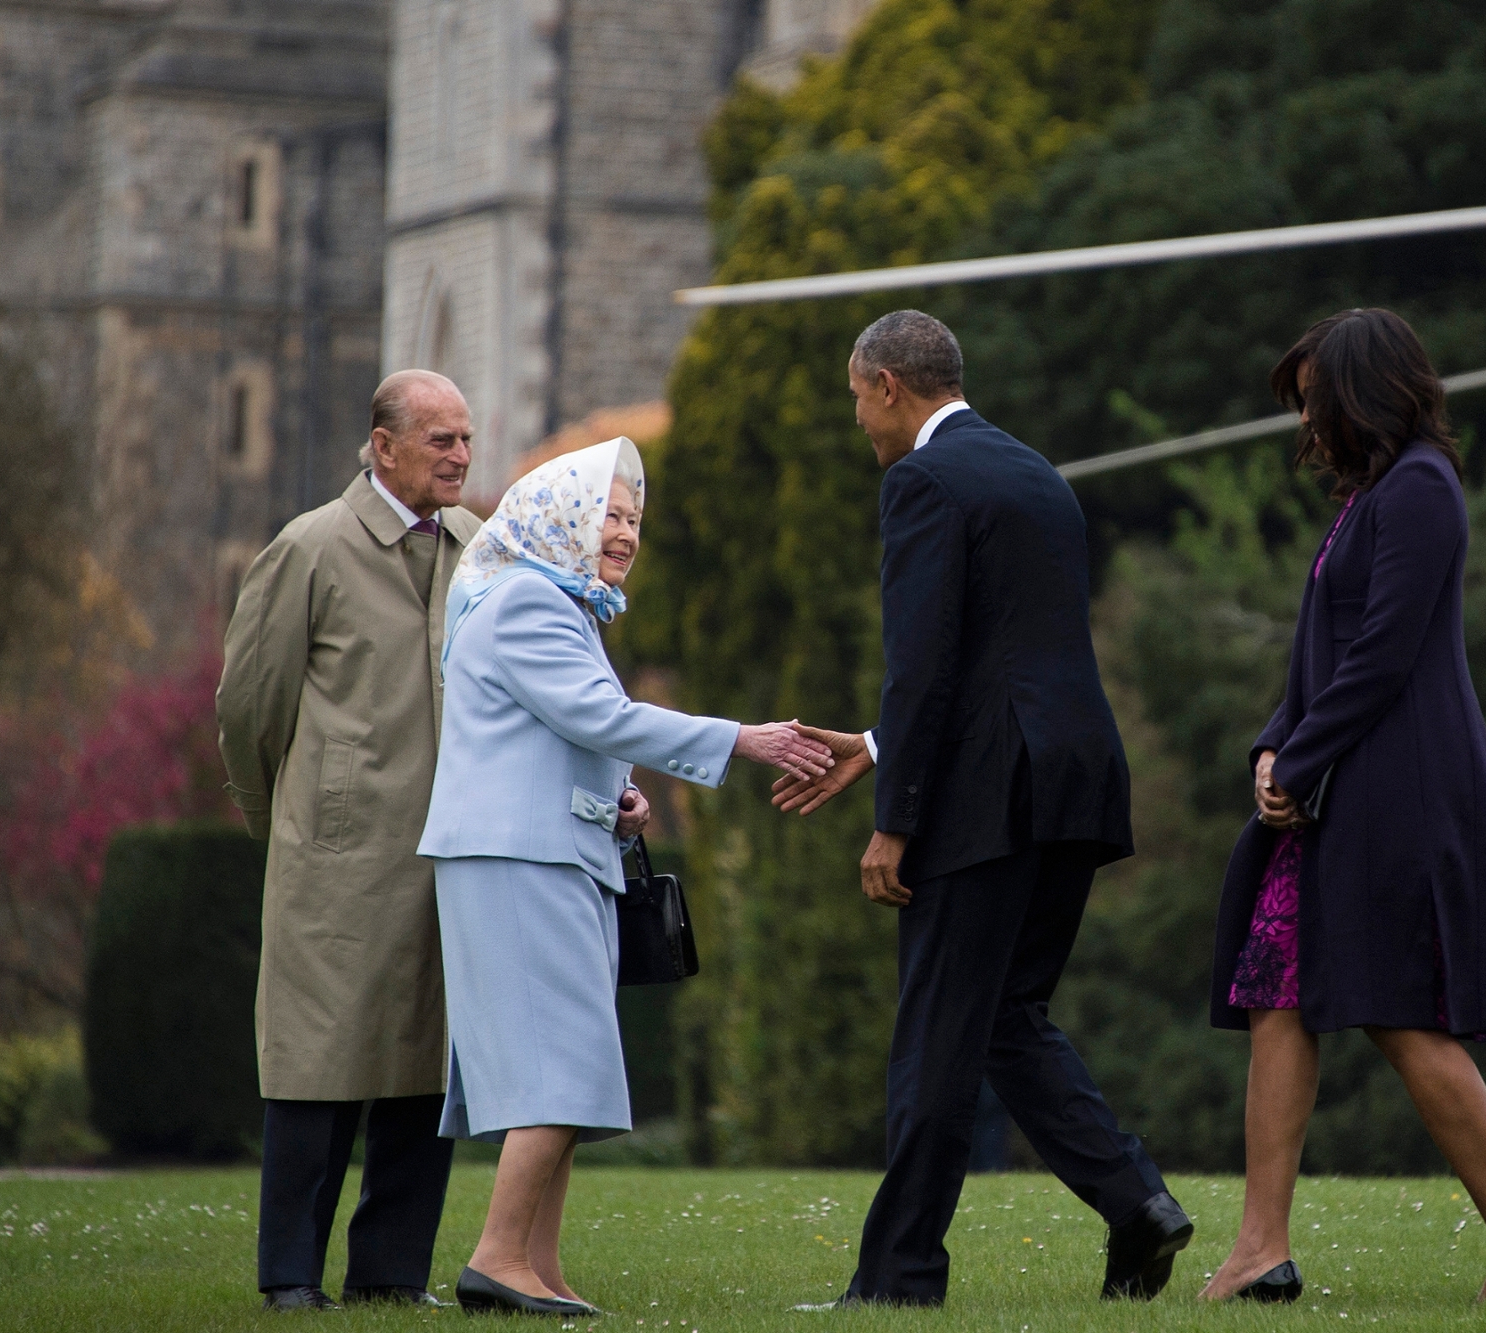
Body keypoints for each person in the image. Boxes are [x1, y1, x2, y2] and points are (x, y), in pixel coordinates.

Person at [773, 310, 1191, 1308]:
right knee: (1005, 1018)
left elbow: (923, 663)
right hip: (1072, 784)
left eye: (854, 398)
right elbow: (1001, 653)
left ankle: (897, 1279)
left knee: (935, 1035)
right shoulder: (1034, 472)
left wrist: (894, 816)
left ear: (884, 384)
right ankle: (1135, 1200)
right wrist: (873, 744)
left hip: (983, 802)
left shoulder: (919, 480)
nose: (859, 424)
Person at [1197, 309, 1486, 1306]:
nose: (1306, 421)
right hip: (1337, 791)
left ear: (1364, 392)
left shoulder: (1418, 491)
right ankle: (1258, 1248)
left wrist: (1301, 760)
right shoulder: (1371, 497)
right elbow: (1322, 654)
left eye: (1316, 398)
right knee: (1275, 987)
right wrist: (1273, 746)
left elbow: (1383, 656)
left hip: (1393, 795)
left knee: (1398, 1015)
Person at [417, 435, 834, 1316]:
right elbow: (600, 711)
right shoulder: (530, 601)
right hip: (516, 861)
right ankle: (497, 1259)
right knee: (557, 1064)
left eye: (634, 517)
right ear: (558, 515)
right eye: (607, 512)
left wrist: (622, 801)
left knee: (564, 1065)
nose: (624, 531)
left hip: (546, 853)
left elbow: (566, 736)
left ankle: (537, 1266)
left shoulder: (554, 605)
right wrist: (740, 738)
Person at [217, 369, 482, 1311]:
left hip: (451, 855)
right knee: (317, 1066)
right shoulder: (312, 549)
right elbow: (249, 708)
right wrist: (287, 822)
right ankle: (291, 1274)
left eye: (464, 438)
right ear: (383, 445)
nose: (460, 454)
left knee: (425, 1065)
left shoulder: (476, 548)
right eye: (441, 440)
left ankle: (390, 1276)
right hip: (334, 856)